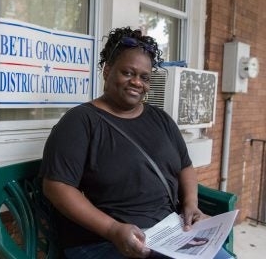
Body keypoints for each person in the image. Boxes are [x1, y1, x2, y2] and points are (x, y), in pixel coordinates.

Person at [39, 27, 207, 258]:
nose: (137, 82)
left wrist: (191, 204)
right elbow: (57, 187)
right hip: (105, 241)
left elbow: (185, 166)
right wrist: (112, 229)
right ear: (108, 70)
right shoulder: (80, 122)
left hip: (168, 233)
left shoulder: (161, 119)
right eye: (128, 73)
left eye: (144, 77)